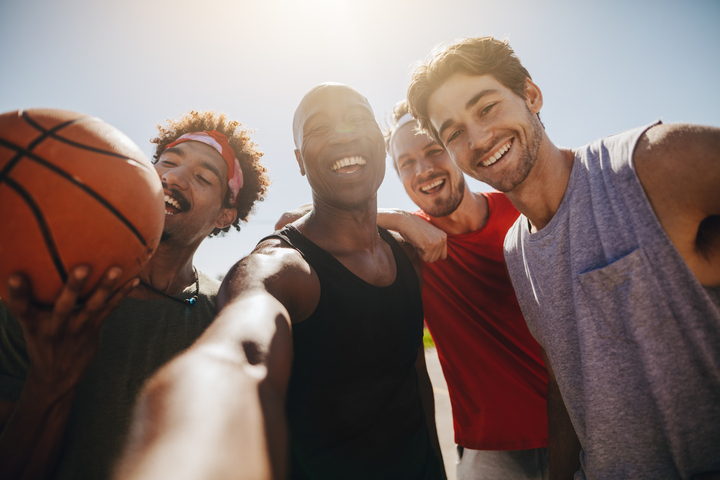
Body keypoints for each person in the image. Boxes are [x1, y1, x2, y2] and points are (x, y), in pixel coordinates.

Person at [405, 36, 720, 480]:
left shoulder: (646, 164)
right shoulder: (516, 249)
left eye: (487, 107)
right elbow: (565, 388)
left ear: (531, 95)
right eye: (454, 132)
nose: (477, 138)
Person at [112, 83, 446, 480]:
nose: (343, 134)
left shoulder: (406, 254)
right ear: (300, 161)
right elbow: (239, 354)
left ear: (380, 140)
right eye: (319, 128)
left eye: (358, 120)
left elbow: (414, 375)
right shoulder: (282, 268)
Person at [0, 110, 270, 480]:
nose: (172, 177)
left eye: (203, 176)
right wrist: (51, 381)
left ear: (224, 215)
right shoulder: (48, 291)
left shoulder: (224, 316)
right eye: (167, 162)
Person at [382, 99, 550, 479]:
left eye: (433, 151)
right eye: (406, 162)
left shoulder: (520, 210)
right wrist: (399, 219)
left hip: (577, 424)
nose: (423, 170)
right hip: (487, 448)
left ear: (456, 150)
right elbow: (300, 222)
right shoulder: (409, 248)